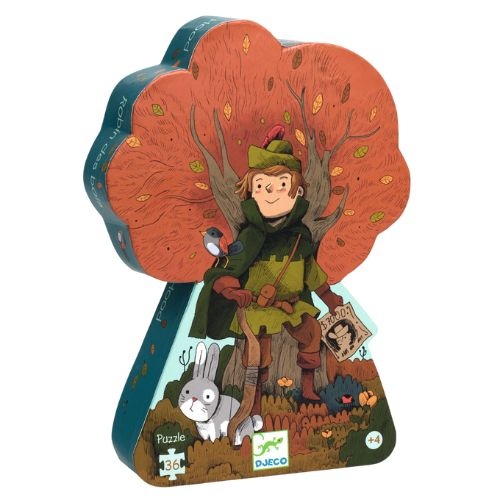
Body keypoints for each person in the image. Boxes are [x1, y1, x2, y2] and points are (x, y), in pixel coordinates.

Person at [189, 128, 343, 415]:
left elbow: (312, 273)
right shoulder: (251, 237)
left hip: (292, 305)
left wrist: (329, 297)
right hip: (259, 307)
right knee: (258, 351)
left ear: (297, 191)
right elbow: (227, 268)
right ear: (250, 191)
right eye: (261, 185)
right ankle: (255, 398)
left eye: (281, 185)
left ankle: (308, 388)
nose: (270, 193)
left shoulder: (299, 237)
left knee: (312, 331)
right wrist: (232, 290)